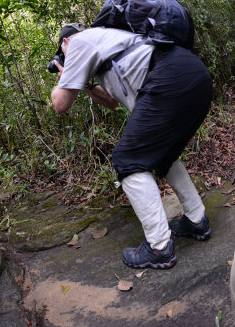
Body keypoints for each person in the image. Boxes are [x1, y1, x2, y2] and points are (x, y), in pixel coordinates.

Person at [51, 23, 212, 269]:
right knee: (163, 155)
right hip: (193, 74)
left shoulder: (77, 44)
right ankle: (197, 219)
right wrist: (83, 83)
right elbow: (112, 102)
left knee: (127, 159)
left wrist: (63, 78)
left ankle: (160, 248)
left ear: (64, 44)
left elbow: (60, 105)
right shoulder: (106, 40)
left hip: (169, 78)